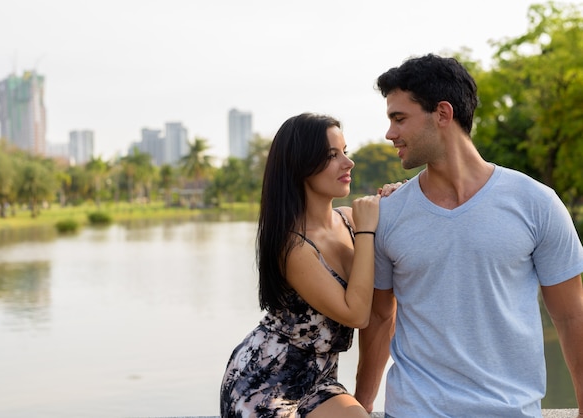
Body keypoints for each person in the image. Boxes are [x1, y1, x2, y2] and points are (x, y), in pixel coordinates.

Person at [354, 53, 583, 418]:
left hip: (511, 411)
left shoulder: (536, 203)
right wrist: (363, 405)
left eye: (399, 119)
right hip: (415, 411)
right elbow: (381, 318)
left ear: (443, 114)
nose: (389, 133)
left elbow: (572, 316)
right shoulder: (390, 214)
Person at [220, 113, 385, 418]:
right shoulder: (293, 246)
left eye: (345, 152)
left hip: (321, 381)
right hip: (266, 383)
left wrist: (393, 201)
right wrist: (367, 232)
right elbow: (358, 314)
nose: (348, 163)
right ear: (302, 165)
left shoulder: (351, 221)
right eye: (332, 156)